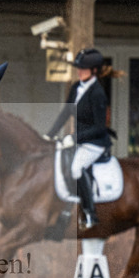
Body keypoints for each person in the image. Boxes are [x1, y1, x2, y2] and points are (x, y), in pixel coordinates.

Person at [44, 48, 112, 229]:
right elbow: (66, 112)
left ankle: (90, 214)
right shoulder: (76, 87)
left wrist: (73, 138)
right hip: (80, 140)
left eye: (83, 68)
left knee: (76, 169)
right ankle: (65, 210)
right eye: (78, 68)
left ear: (94, 71)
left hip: (95, 142)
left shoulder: (98, 93)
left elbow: (99, 127)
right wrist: (49, 135)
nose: (79, 71)